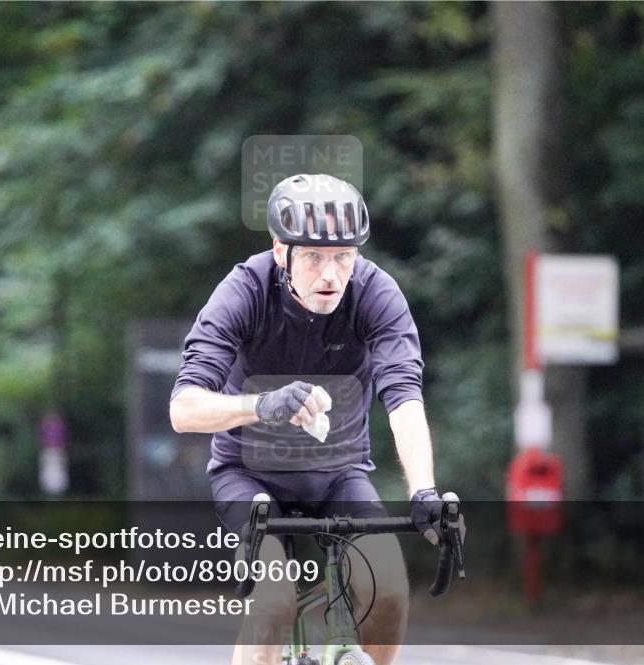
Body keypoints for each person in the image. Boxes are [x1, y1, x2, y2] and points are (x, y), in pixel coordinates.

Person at [169, 174, 446, 665]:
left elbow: (403, 397)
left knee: (389, 594)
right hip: (247, 475)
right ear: (281, 251)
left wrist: (423, 490)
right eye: (314, 256)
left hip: (338, 473)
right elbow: (184, 409)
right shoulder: (245, 290)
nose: (330, 275)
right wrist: (260, 405)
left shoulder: (375, 293)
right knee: (274, 603)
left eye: (343, 256)